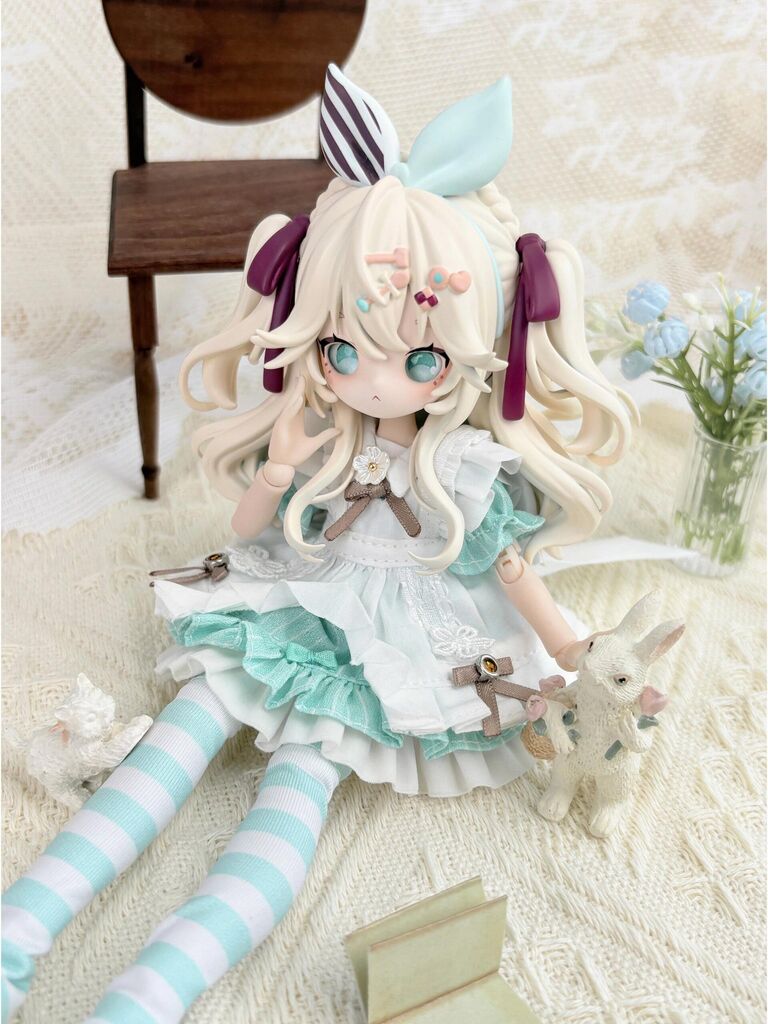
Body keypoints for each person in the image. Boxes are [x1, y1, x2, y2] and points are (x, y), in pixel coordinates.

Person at [2, 65, 635, 1023]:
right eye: (343, 349)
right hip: (294, 596)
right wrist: (275, 470)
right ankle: (14, 936)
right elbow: (248, 529)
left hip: (397, 642)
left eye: (419, 358)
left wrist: (577, 651)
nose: (374, 379)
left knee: (286, 813)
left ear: (464, 358)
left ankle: (143, 1003)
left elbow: (511, 571)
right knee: (169, 748)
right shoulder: (322, 437)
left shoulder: (464, 473)